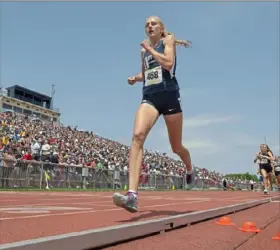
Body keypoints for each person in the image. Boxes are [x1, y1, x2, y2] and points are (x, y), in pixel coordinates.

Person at [112, 16, 195, 213]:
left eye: (153, 23)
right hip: (150, 98)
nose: (149, 26)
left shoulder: (168, 40)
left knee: (176, 147)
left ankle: (190, 169)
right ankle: (132, 195)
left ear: (161, 28)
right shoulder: (144, 52)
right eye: (146, 24)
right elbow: (149, 73)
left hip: (170, 97)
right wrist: (136, 78)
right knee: (137, 137)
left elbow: (167, 63)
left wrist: (149, 49)